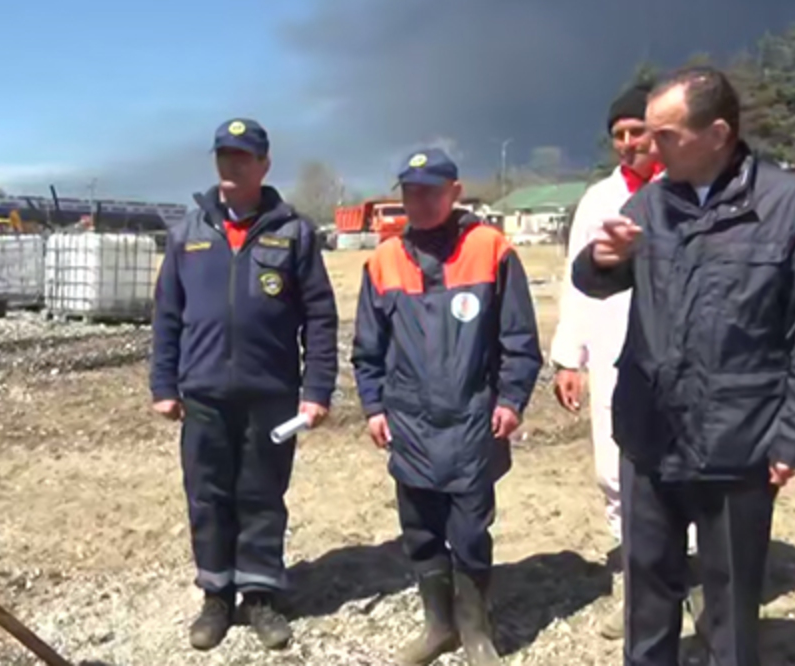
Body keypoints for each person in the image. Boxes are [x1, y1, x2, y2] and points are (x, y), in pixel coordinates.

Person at [571, 67, 795, 666]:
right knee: (648, 588)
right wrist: (602, 258)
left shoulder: (786, 206)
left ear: (716, 133)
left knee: (728, 595)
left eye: (664, 134)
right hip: (649, 434)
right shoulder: (650, 201)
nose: (646, 145)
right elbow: (595, 279)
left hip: (737, 437)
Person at [150, 117, 339, 651]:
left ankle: (259, 593)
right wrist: (163, 383)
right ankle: (216, 595)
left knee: (261, 496)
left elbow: (319, 317)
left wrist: (317, 389)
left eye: (243, 157)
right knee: (208, 498)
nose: (231, 166)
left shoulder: (294, 232)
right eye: (223, 156)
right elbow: (167, 315)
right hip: (204, 394)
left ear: (264, 164)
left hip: (271, 394)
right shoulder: (188, 233)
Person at [351, 147, 542, 666]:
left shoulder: (491, 249)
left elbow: (519, 338)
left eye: (430, 190)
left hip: (473, 419)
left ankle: (476, 629)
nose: (419, 200)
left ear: (454, 192)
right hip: (408, 423)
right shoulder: (384, 260)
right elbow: (368, 349)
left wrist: (511, 398)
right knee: (420, 529)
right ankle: (439, 626)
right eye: (411, 191)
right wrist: (373, 406)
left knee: (470, 531)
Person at [550, 82, 699, 640]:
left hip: (682, 361)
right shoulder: (598, 199)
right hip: (614, 354)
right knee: (615, 472)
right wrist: (569, 356)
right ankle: (638, 588)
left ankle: (692, 586)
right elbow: (577, 281)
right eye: (618, 135)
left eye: (637, 131)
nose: (628, 143)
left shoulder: (688, 191)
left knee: (687, 469)